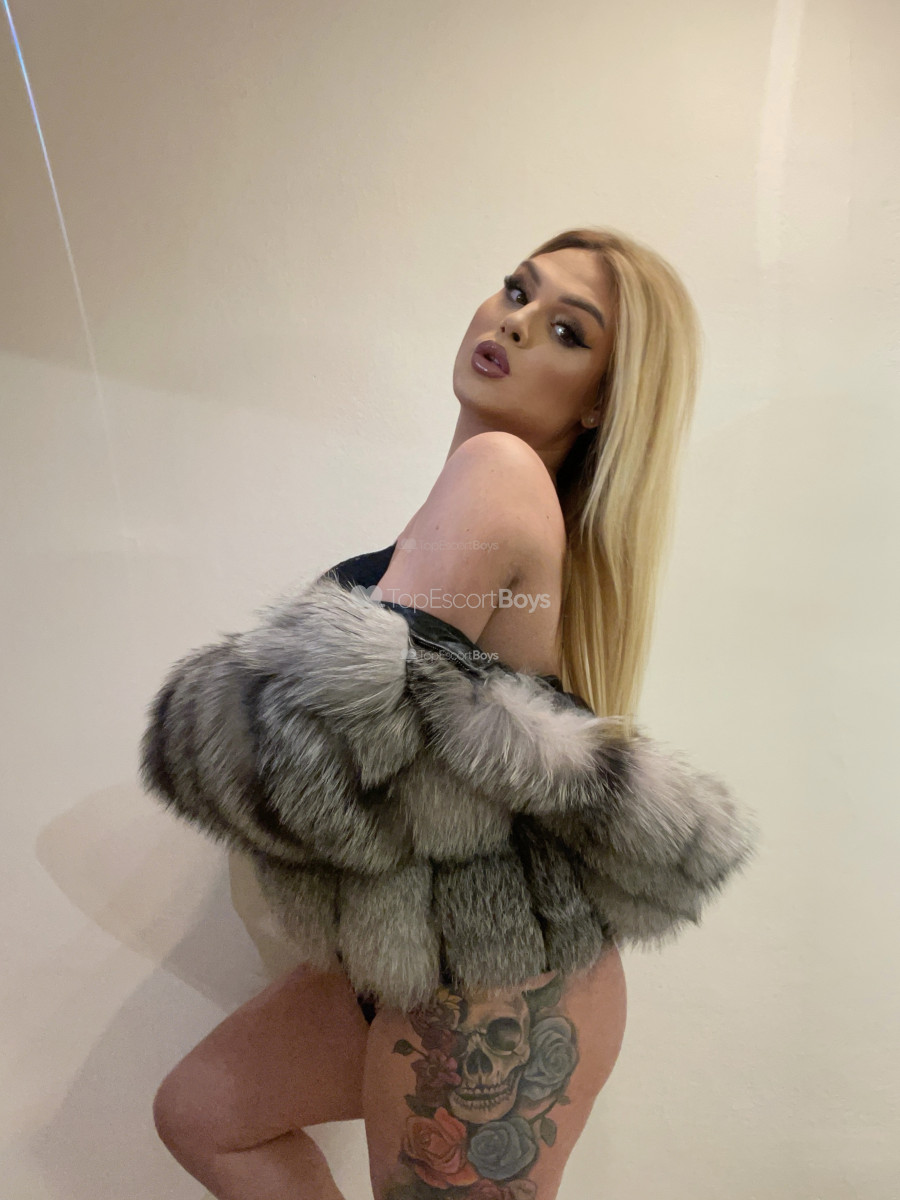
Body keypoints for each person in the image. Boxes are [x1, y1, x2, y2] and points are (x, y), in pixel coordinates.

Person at [149, 227, 728, 1200]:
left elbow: (330, 745)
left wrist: (210, 721)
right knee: (207, 1113)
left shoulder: (500, 471)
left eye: (569, 332)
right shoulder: (477, 502)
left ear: (600, 402)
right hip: (423, 949)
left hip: (499, 971)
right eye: (516, 289)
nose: (517, 322)